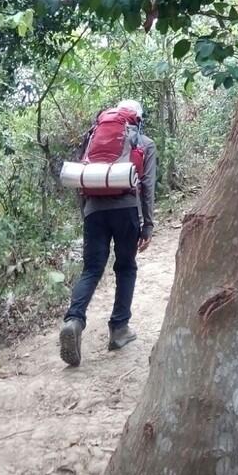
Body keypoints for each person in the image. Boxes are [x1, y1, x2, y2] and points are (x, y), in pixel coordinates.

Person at [59, 99, 156, 367]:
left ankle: (74, 319)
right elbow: (146, 186)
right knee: (125, 268)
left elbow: (83, 177)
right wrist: (147, 224)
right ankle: (119, 329)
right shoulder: (144, 142)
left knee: (91, 270)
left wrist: (86, 213)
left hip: (94, 211)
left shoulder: (92, 138)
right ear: (137, 118)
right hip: (126, 210)